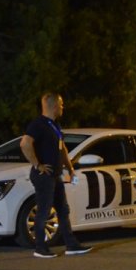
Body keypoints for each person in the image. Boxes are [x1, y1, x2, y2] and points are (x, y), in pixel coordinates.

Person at [20, 93, 90, 258]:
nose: (63, 107)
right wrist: (37, 164)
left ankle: (71, 245)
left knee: (63, 210)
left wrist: (70, 169)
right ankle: (40, 248)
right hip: (44, 176)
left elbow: (62, 148)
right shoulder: (38, 124)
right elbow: (25, 143)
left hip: (55, 175)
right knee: (44, 211)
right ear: (54, 106)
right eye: (61, 104)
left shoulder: (54, 125)